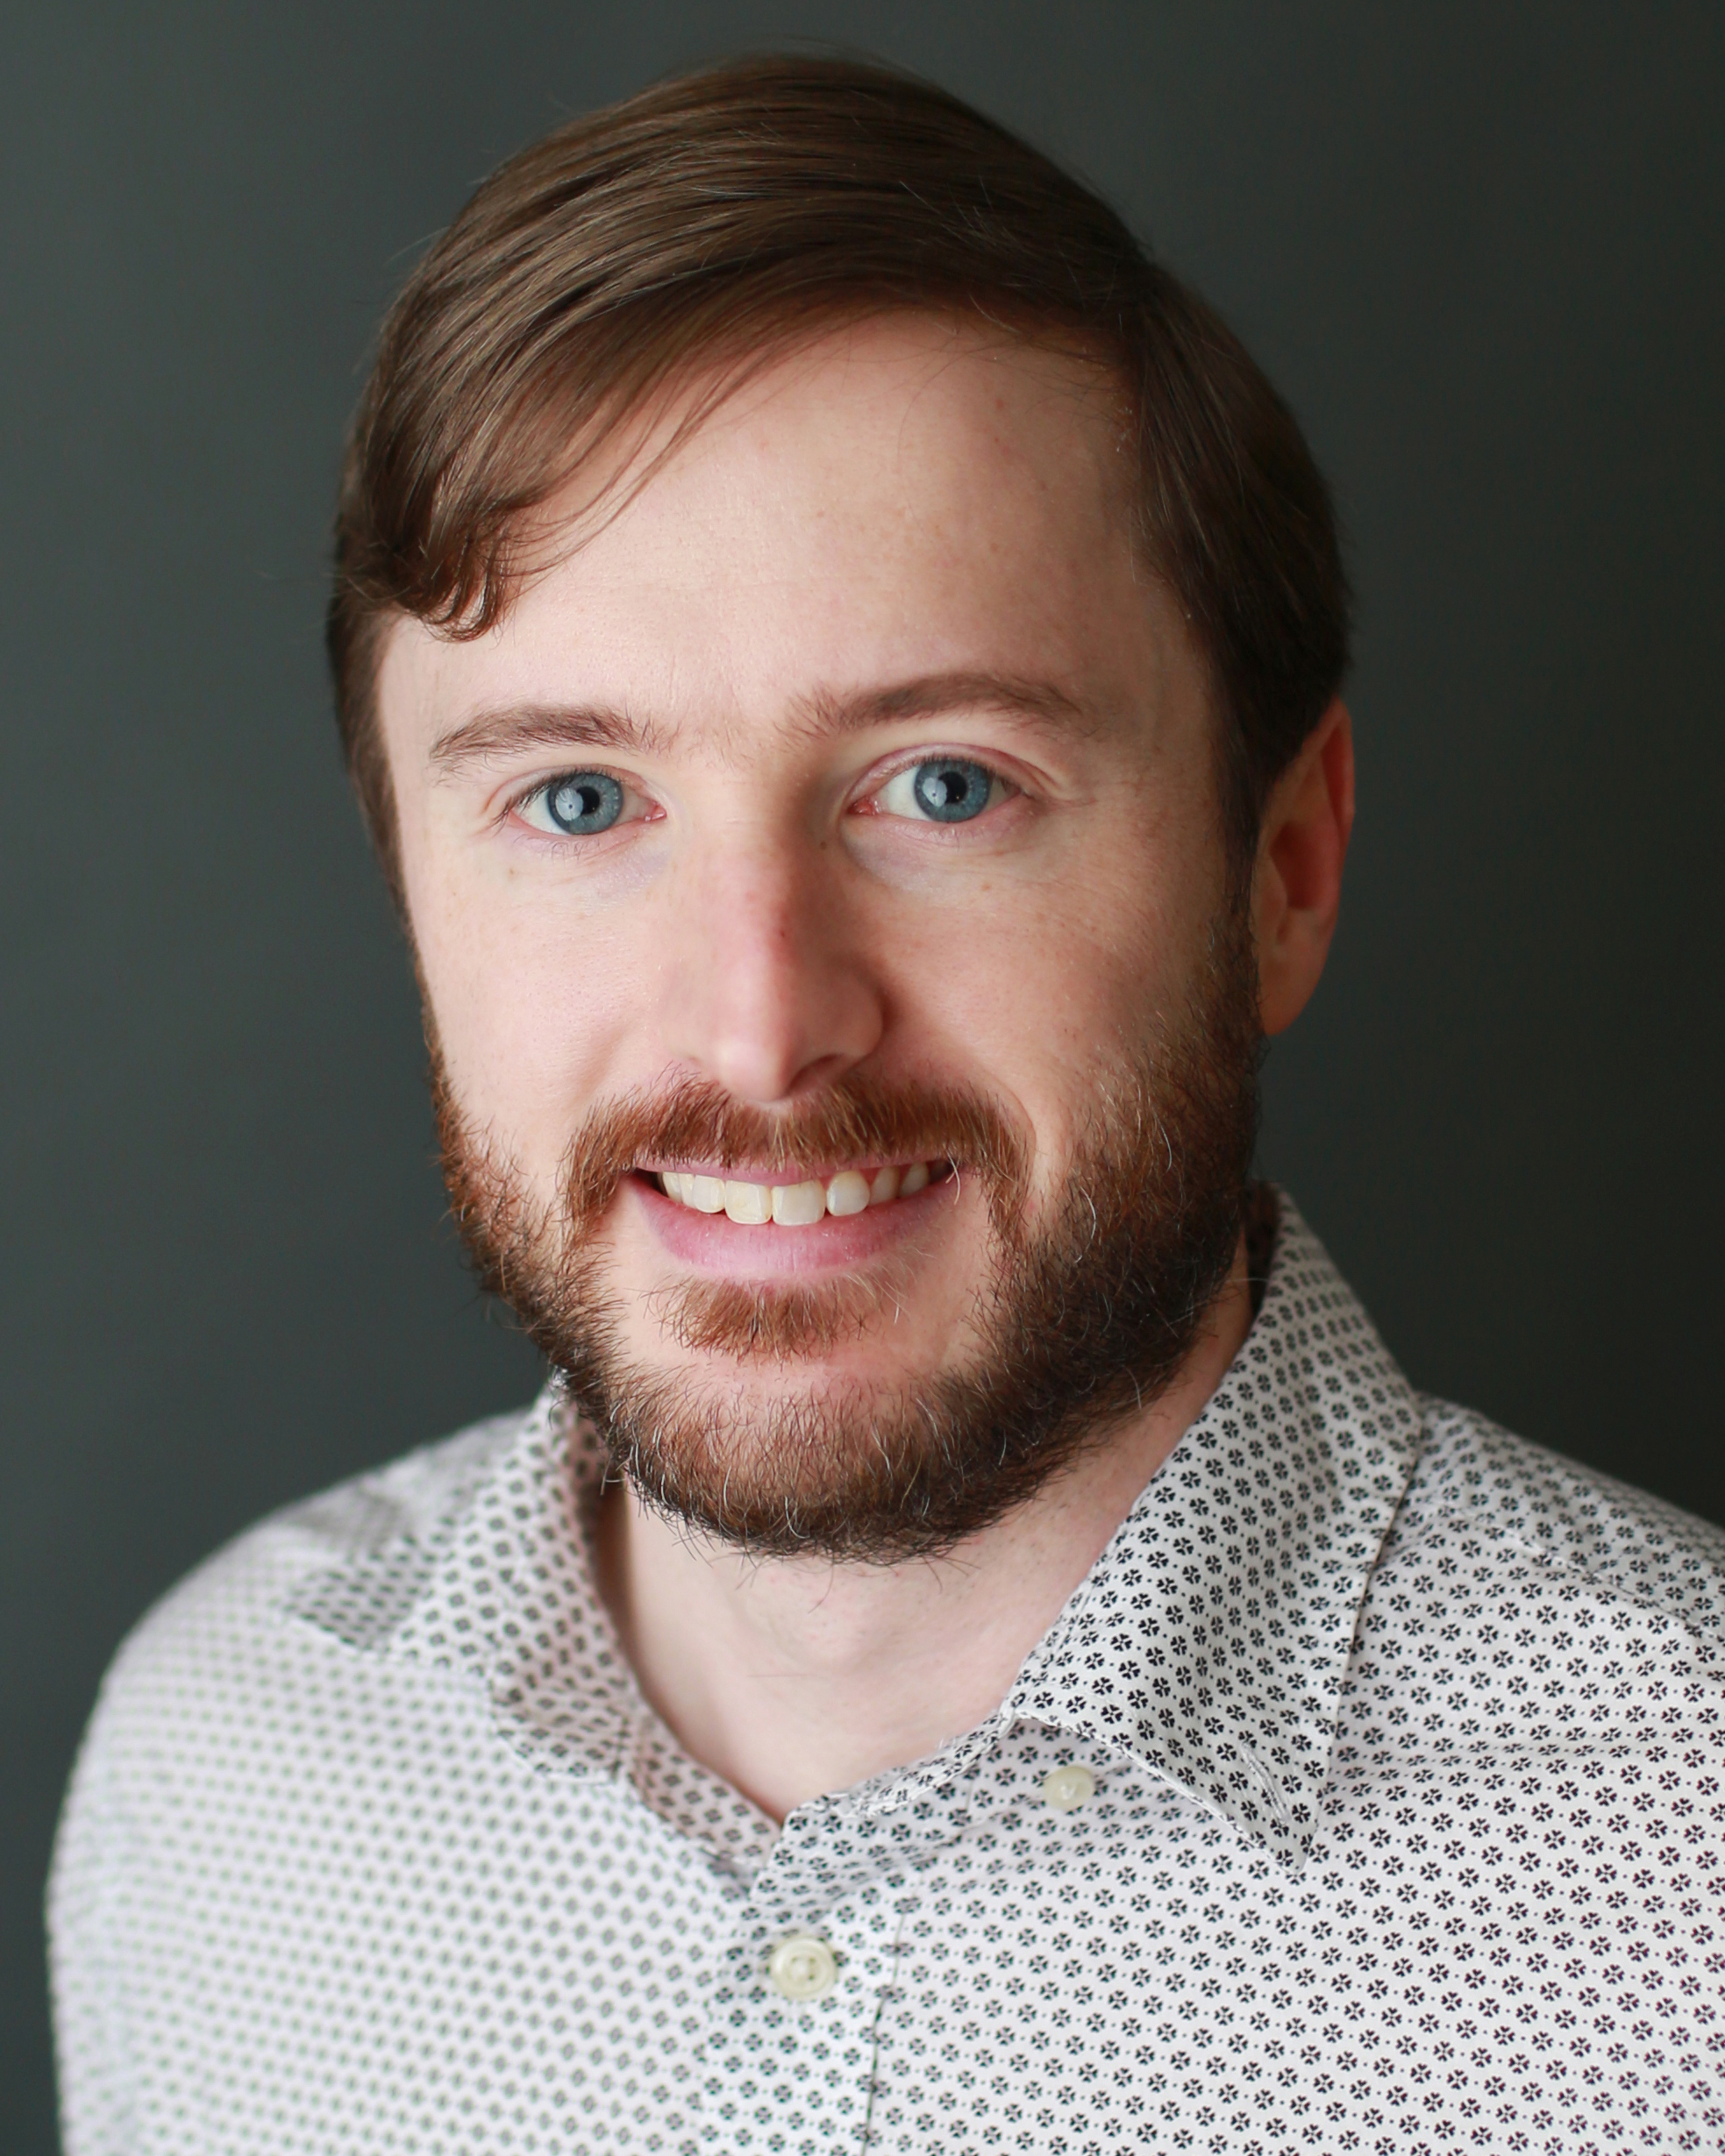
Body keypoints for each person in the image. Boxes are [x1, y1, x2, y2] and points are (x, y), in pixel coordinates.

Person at [48, 54, 1725, 2156]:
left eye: (947, 786)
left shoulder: (1693, 1886)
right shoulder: (226, 1766)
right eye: (580, 800)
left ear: (1281, 868)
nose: (762, 1034)